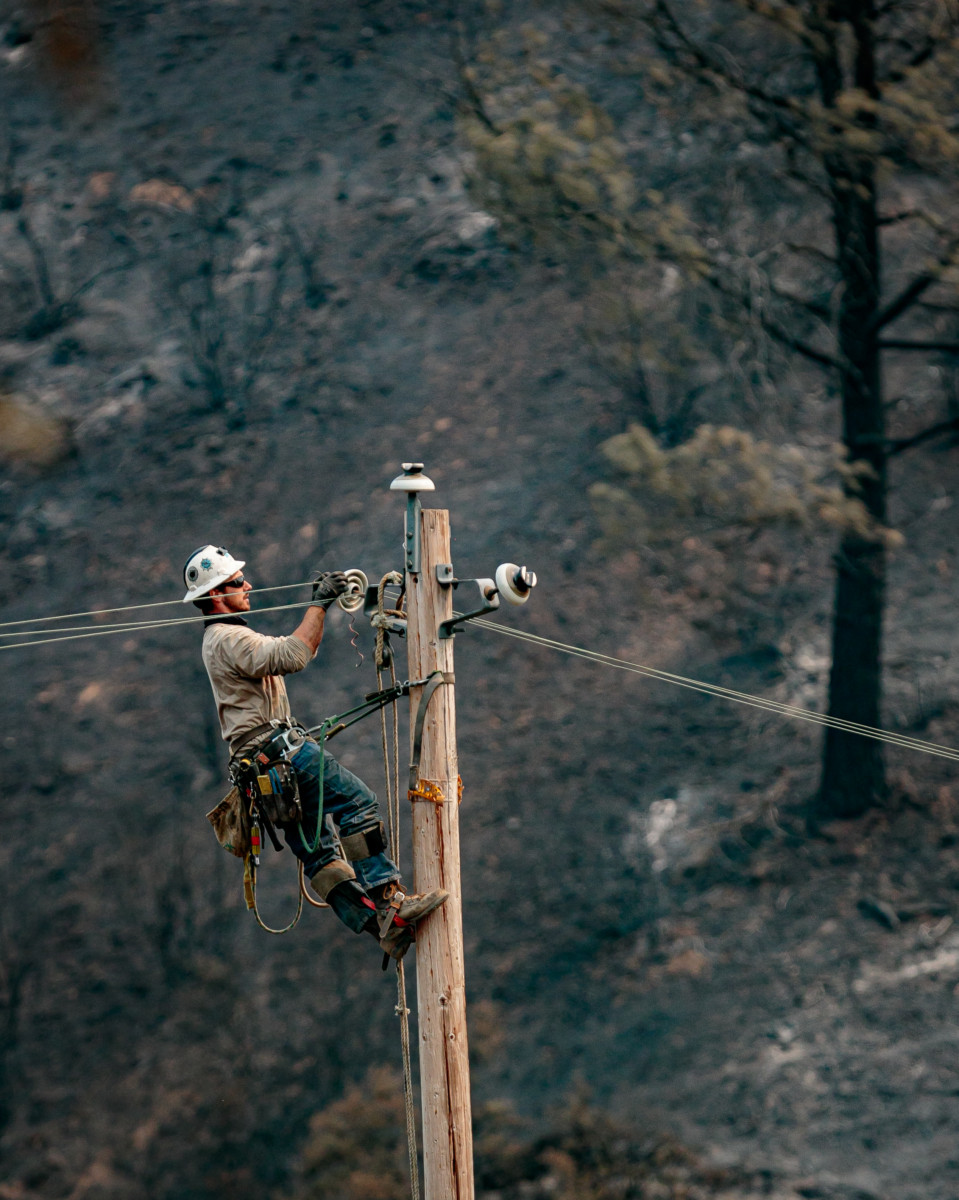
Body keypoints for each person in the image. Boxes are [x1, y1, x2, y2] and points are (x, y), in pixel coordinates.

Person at [182, 544, 447, 960]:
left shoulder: (225, 639)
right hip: (279, 755)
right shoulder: (227, 638)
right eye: (237, 582)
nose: (247, 585)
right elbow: (292, 655)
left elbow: (298, 648)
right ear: (216, 595)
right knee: (358, 801)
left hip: (266, 768)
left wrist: (319, 611)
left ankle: (379, 926)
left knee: (319, 852)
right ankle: (391, 902)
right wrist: (320, 604)